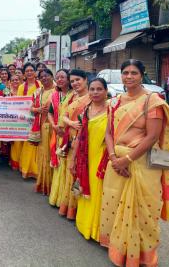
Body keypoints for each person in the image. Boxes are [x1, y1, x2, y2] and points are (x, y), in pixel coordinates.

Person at [100, 59, 169, 267]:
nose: (129, 77)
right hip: (116, 161)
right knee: (117, 205)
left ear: (142, 75)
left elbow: (152, 137)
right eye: (125, 73)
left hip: (140, 162)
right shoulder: (115, 101)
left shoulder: (153, 101)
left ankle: (141, 256)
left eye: (134, 73)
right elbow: (108, 132)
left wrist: (126, 159)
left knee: (141, 211)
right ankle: (120, 251)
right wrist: (114, 158)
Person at [70, 78, 108, 242]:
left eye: (99, 89)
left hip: (103, 156)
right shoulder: (86, 109)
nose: (95, 92)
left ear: (106, 91)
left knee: (99, 190)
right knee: (87, 188)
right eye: (92, 89)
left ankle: (97, 229)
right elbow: (78, 137)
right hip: (86, 156)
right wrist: (73, 160)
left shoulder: (113, 110)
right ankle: (84, 224)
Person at [58, 69, 91, 219]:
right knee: (70, 172)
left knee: (81, 172)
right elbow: (63, 116)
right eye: (72, 81)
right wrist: (71, 123)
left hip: (86, 142)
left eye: (78, 79)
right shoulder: (72, 97)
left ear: (85, 79)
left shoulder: (92, 97)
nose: (75, 83)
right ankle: (70, 208)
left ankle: (80, 210)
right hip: (70, 140)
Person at [48, 69, 71, 206]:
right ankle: (57, 195)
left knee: (66, 164)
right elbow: (50, 113)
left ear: (68, 79)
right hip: (57, 133)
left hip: (69, 134)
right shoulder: (55, 95)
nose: (60, 79)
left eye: (63, 77)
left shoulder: (74, 95)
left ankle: (65, 199)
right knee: (58, 162)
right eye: (58, 77)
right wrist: (54, 126)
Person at [33, 69, 55, 195]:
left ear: (52, 76)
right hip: (42, 128)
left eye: (46, 75)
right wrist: (38, 109)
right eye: (41, 77)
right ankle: (43, 184)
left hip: (54, 127)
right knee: (43, 155)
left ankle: (52, 185)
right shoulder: (38, 92)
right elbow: (31, 109)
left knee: (52, 155)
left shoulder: (58, 92)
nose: (44, 78)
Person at [18, 62, 41, 178]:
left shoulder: (41, 85)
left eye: (31, 70)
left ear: (35, 72)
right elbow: (19, 103)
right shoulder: (22, 87)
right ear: (24, 74)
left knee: (37, 144)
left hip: (40, 118)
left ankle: (37, 170)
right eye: (27, 71)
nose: (29, 73)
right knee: (28, 143)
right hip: (27, 119)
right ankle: (26, 168)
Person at [8, 74, 22, 170]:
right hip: (11, 118)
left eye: (17, 80)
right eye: (13, 80)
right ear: (10, 82)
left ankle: (21, 161)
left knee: (21, 141)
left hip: (22, 119)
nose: (15, 82)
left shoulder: (23, 91)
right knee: (14, 141)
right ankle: (14, 161)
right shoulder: (7, 91)